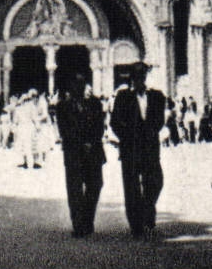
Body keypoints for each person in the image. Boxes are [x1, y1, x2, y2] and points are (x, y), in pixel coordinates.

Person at [109, 61, 165, 238]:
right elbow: (115, 122)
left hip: (150, 147)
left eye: (143, 76)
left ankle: (148, 208)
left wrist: (150, 131)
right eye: (137, 76)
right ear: (132, 78)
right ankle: (136, 225)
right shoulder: (123, 97)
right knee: (131, 187)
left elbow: (160, 119)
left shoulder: (156, 96)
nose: (141, 79)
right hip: (130, 148)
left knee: (156, 181)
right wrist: (126, 137)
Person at [55, 68, 105, 237]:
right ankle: (78, 224)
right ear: (70, 86)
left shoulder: (95, 104)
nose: (79, 87)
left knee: (95, 185)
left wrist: (91, 142)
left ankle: (87, 218)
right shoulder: (62, 107)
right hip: (74, 153)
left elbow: (99, 126)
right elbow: (64, 130)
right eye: (75, 84)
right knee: (75, 189)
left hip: (93, 152)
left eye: (82, 83)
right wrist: (82, 143)